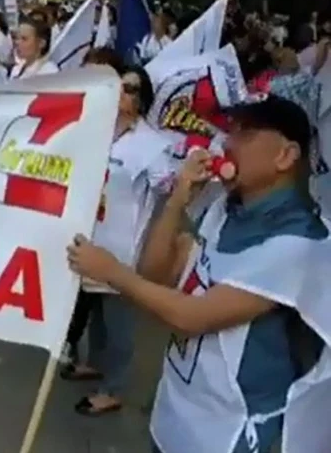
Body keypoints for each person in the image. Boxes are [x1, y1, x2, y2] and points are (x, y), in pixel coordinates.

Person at [68, 95, 331, 452]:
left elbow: (192, 316)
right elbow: (156, 273)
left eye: (245, 134)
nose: (227, 143)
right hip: (177, 415)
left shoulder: (299, 242)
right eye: (230, 131)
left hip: (231, 433)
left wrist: (110, 271)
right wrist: (179, 198)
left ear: (285, 156)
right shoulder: (225, 208)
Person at [61, 64, 174, 417]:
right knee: (93, 309)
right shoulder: (97, 130)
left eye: (128, 88)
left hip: (122, 247)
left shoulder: (152, 145)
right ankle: (95, 361)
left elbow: (165, 186)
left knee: (118, 321)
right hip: (89, 236)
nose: (120, 93)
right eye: (116, 86)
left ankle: (114, 388)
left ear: (141, 100)